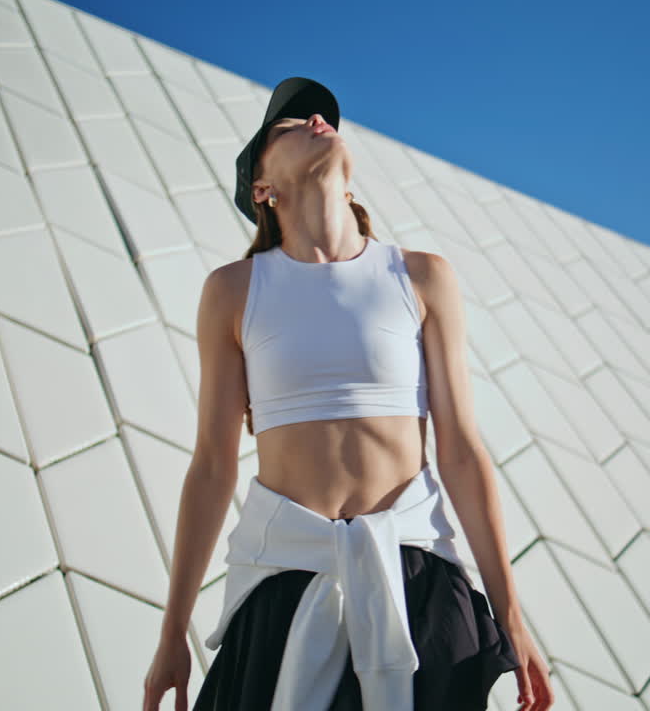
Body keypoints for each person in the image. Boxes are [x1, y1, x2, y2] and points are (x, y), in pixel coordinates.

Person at [142, 77, 554, 711]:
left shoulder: (421, 277)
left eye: (320, 116)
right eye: (287, 126)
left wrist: (513, 618)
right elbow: (212, 465)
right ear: (262, 189)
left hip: (418, 585)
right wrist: (173, 635)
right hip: (284, 591)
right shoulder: (232, 292)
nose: (313, 120)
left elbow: (463, 453)